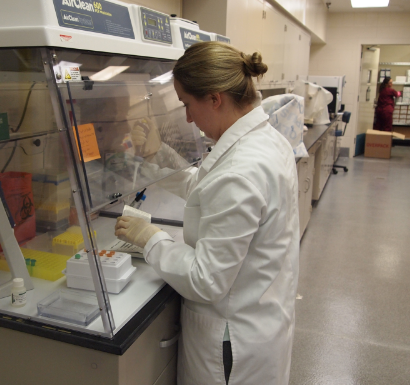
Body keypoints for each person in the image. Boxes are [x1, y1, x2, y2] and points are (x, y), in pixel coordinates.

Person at [114, 41, 300, 385]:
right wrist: (158, 156)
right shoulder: (263, 140)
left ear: (215, 98)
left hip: (231, 342)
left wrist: (151, 239)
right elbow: (206, 187)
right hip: (258, 319)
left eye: (188, 104)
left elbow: (206, 280)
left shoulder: (242, 168)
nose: (187, 116)